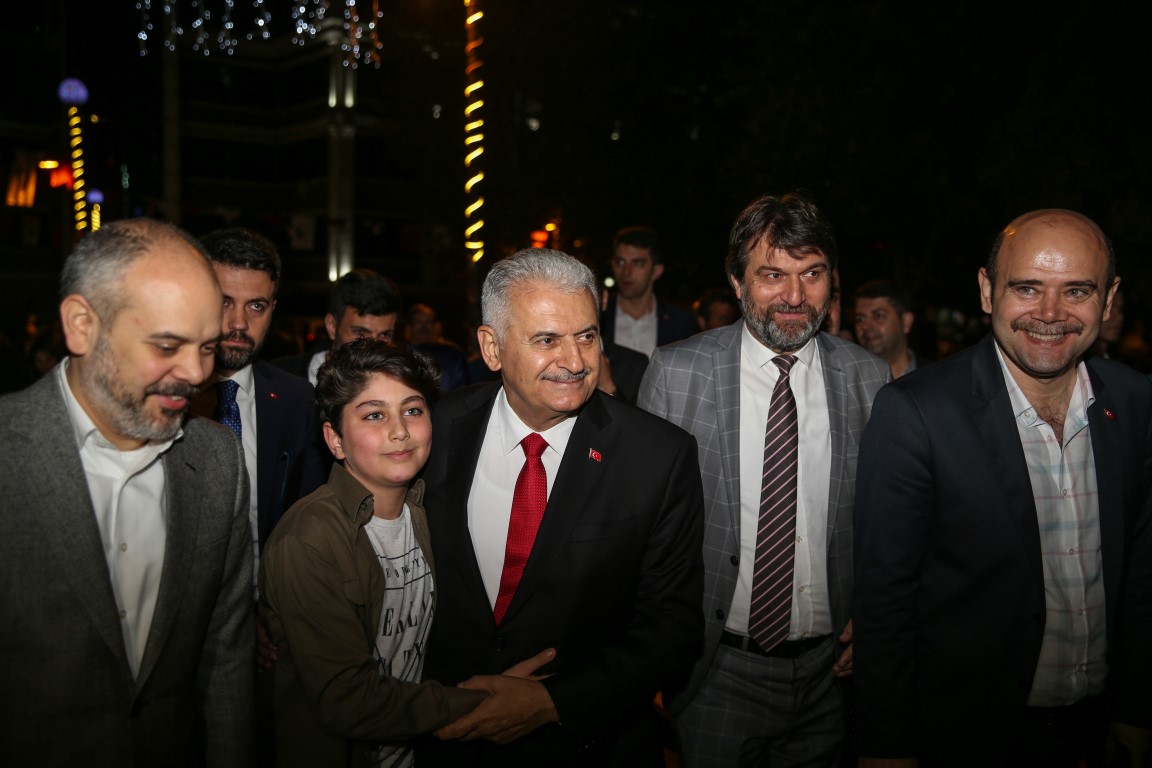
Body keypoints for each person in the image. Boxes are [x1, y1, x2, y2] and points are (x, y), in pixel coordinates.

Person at [853, 209, 1152, 767]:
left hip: (1097, 729)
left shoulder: (1137, 403)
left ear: (1109, 299)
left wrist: (1135, 707)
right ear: (987, 291)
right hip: (965, 736)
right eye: (1027, 288)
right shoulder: (916, 413)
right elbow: (884, 599)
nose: (1050, 313)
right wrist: (886, 747)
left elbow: (1141, 571)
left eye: (1077, 291)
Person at [418, 247, 705, 766]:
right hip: (445, 738)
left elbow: (672, 626)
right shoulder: (432, 431)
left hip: (590, 744)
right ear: (491, 347)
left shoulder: (658, 456)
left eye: (587, 337)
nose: (574, 362)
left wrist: (553, 702)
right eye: (547, 340)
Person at [638, 191, 891, 767]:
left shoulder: (869, 378)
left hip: (832, 676)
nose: (795, 297)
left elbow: (888, 520)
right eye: (773, 275)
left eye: (812, 274)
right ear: (737, 281)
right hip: (715, 670)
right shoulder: (676, 373)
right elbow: (644, 532)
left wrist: (875, 614)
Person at [0, 218, 254, 766]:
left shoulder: (218, 462)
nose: (196, 372)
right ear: (82, 325)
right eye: (167, 345)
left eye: (208, 347)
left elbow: (226, 657)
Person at [260, 340, 549, 768]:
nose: (399, 431)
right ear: (335, 439)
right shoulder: (310, 539)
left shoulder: (430, 513)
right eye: (374, 415)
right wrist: (486, 701)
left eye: (412, 410)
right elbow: (347, 700)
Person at [194, 227, 326, 571]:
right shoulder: (161, 397)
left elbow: (309, 521)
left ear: (272, 309)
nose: (239, 322)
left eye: (256, 306)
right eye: (223, 302)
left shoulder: (298, 400)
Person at [275, 268, 402, 385]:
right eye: (360, 332)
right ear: (332, 326)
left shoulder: (400, 383)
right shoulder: (281, 378)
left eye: (385, 334)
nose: (373, 346)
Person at [600, 226, 696, 356]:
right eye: (620, 262)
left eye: (638, 263)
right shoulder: (599, 315)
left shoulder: (679, 323)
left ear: (656, 271)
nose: (627, 272)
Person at [852, 279, 920, 378]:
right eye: (860, 319)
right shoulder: (848, 378)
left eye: (879, 316)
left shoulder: (933, 377)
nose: (865, 326)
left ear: (906, 322)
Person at [405, 302, 469, 391]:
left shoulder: (452, 355)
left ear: (435, 326)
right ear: (410, 327)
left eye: (428, 321)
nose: (424, 326)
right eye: (418, 321)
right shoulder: (402, 355)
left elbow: (463, 389)